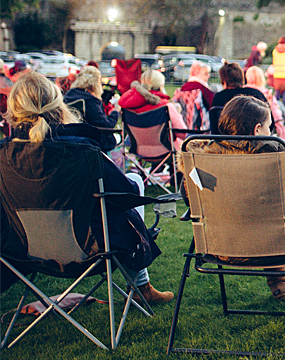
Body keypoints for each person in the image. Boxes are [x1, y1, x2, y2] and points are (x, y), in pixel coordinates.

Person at [1, 72, 172, 302]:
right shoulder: (81, 149)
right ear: (57, 103)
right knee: (133, 184)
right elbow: (126, 194)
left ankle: (143, 288)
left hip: (23, 252)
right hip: (90, 251)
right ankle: (141, 286)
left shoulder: (4, 154)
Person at [178, 95, 285, 300]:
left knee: (255, 214)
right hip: (281, 248)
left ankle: (281, 282)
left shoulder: (202, 159)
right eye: (270, 127)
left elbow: (191, 200)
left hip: (219, 246)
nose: (272, 132)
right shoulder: (283, 157)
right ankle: (280, 281)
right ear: (257, 129)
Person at [64, 66, 121, 150]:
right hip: (92, 141)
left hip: (71, 138)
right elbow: (106, 126)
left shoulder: (68, 95)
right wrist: (116, 111)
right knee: (117, 137)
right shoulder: (91, 100)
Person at [245, 65, 285, 138]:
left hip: (244, 130)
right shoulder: (266, 94)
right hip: (263, 129)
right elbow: (276, 116)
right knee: (279, 105)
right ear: (261, 78)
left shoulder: (241, 92)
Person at [172, 61, 214, 131]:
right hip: (201, 128)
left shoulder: (182, 89)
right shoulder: (203, 90)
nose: (208, 76)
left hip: (183, 125)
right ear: (196, 73)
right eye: (206, 73)